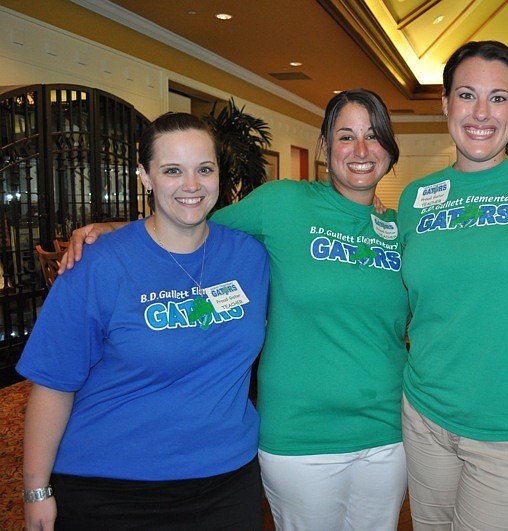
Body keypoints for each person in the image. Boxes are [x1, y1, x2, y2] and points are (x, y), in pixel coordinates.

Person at [59, 89, 410, 531]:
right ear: (324, 146)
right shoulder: (282, 203)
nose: (361, 150)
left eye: (374, 136)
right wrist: (117, 229)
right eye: (346, 136)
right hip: (302, 436)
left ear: (389, 148)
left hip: (387, 431)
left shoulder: (402, 228)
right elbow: (189, 223)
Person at [17, 112, 270, 530]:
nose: (191, 185)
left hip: (227, 481)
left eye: (204, 169)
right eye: (172, 170)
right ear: (145, 176)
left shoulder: (250, 257)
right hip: (112, 488)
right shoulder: (96, 264)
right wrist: (36, 490)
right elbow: (53, 384)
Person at [397, 40, 508, 530]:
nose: (481, 112)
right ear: (445, 103)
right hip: (425, 417)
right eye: (466, 95)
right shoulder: (415, 197)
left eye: (498, 98)